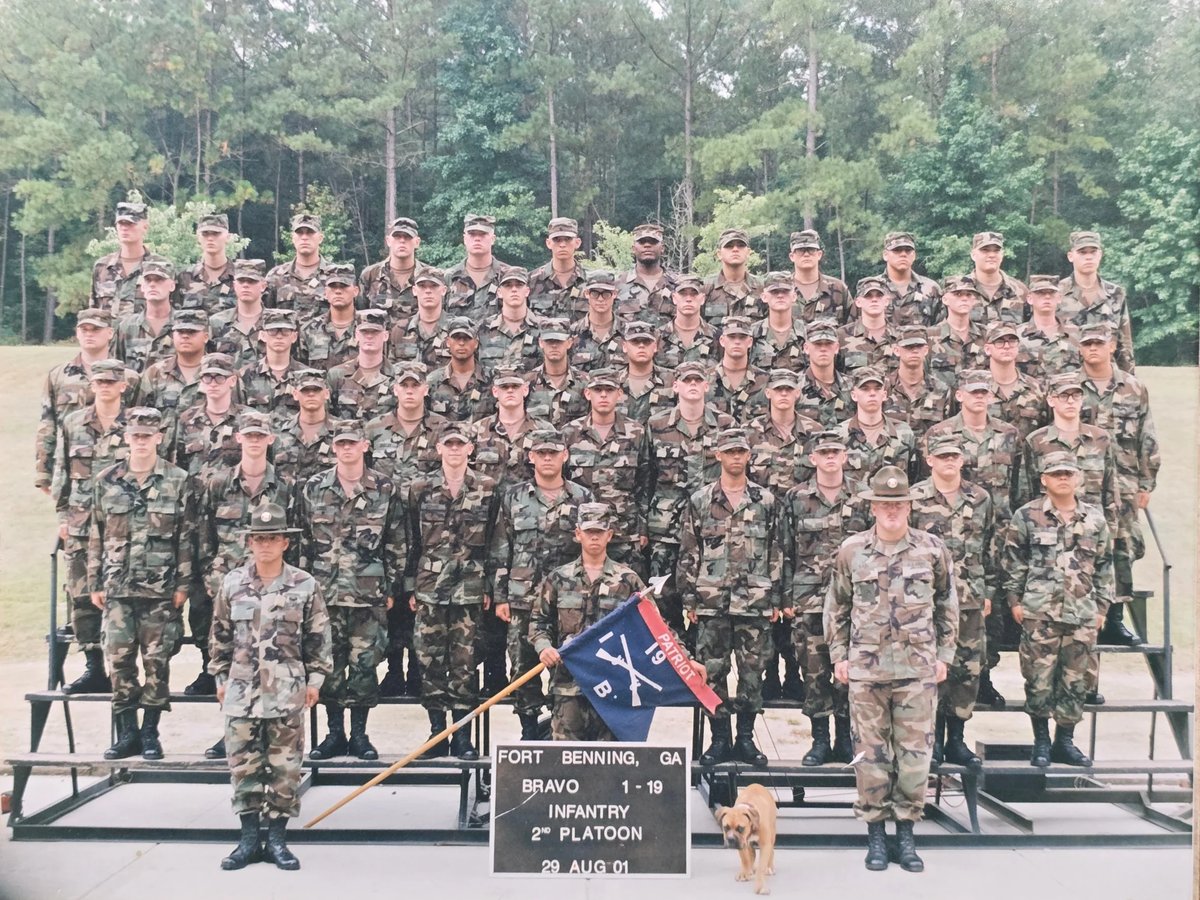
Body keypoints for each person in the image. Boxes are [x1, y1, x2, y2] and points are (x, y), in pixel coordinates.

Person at [826, 465, 957, 873]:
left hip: (917, 670)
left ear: (909, 507)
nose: (892, 510)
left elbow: (948, 604)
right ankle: (876, 836)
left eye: (899, 503)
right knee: (870, 757)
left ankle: (907, 834)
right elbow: (837, 606)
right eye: (885, 503)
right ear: (874, 507)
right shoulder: (853, 551)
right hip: (866, 672)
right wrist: (838, 656)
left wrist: (945, 655)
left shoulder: (932, 549)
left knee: (915, 758)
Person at [209, 501, 332, 871]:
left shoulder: (305, 585)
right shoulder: (232, 584)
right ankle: (248, 840)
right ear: (249, 542)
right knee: (243, 767)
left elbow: (319, 638)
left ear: (285, 543)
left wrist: (315, 680)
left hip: (286, 692)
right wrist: (219, 677)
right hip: (242, 694)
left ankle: (277, 840)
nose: (265, 545)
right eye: (258, 538)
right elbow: (219, 637)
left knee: (285, 768)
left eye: (272, 538)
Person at [87, 407, 194, 761]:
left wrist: (182, 584)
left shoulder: (177, 479)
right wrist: (95, 581)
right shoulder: (106, 480)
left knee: (156, 663)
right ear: (127, 438)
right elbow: (96, 534)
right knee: (118, 662)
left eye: (148, 436)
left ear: (159, 438)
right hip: (117, 588)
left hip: (160, 590)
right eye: (136, 436)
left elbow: (185, 536)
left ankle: (150, 734)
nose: (142, 441)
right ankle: (126, 733)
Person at [297, 425, 405, 761]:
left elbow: (396, 541)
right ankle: (334, 734)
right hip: (324, 593)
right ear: (332, 447)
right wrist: (303, 588)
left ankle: (359, 735)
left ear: (364, 445)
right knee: (329, 665)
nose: (346, 449)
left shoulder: (384, 487)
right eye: (340, 444)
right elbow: (303, 540)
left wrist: (391, 585)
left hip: (367, 594)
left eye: (352, 443)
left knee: (364, 665)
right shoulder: (314, 487)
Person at [679, 426, 783, 768]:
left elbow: (776, 552)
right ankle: (719, 737)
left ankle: (746, 739)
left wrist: (776, 597)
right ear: (718, 455)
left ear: (748, 456)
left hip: (755, 602)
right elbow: (689, 552)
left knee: (752, 674)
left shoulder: (765, 501)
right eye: (730, 451)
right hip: (712, 603)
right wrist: (689, 600)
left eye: (741, 451)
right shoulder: (701, 500)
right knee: (713, 672)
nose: (736, 457)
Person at [1004, 451, 1114, 768]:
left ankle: (1064, 741)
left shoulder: (1094, 518)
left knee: (1076, 681)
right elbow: (1014, 562)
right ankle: (1040, 741)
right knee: (1038, 680)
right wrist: (1015, 602)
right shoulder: (1026, 516)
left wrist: (1102, 607)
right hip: (1040, 613)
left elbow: (1105, 566)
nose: (1063, 478)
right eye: (1056, 474)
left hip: (1082, 613)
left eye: (1068, 472)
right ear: (1044, 480)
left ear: (1078, 477)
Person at [489, 430, 593, 738]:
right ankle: (529, 731)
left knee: (568, 669)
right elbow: (500, 547)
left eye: (553, 453)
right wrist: (500, 596)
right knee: (523, 668)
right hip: (523, 597)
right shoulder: (513, 495)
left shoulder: (582, 498)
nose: (547, 458)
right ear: (531, 457)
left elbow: (591, 548)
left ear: (565, 456)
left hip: (568, 600)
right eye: (541, 453)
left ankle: (564, 729)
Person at [407, 426, 499, 760]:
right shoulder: (420, 488)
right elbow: (410, 540)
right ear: (439, 449)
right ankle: (436, 733)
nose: (455, 450)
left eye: (461, 445)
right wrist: (410, 585)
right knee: (429, 660)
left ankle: (462, 736)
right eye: (449, 445)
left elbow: (494, 539)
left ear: (471, 449)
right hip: (430, 588)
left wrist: (491, 585)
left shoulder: (486, 488)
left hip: (469, 587)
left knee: (465, 662)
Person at [196, 410, 295, 716]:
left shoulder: (284, 487)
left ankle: (267, 723)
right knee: (229, 661)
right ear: (238, 438)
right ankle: (229, 727)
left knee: (270, 660)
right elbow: (204, 539)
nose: (254, 441)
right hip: (228, 588)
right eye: (249, 436)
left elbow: (295, 541)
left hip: (273, 587)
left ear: (270, 439)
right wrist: (212, 580)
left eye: (260, 436)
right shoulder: (218, 484)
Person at [780, 430, 869, 765]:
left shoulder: (862, 496)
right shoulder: (797, 497)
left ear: (845, 457)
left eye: (836, 452)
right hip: (809, 599)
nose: (831, 458)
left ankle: (845, 738)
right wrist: (785, 596)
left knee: (850, 671)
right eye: (824, 453)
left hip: (855, 602)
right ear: (812, 459)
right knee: (814, 672)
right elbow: (784, 550)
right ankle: (819, 740)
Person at [910, 434, 995, 768]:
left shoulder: (980, 498)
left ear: (961, 460)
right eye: (941, 456)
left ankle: (956, 739)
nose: (948, 462)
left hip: (969, 598)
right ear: (930, 460)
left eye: (954, 457)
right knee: (929, 669)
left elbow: (988, 547)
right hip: (926, 600)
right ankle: (930, 742)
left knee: (966, 670)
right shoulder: (914, 498)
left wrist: (986, 591)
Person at [531, 502, 648, 741]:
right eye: (588, 532)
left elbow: (654, 628)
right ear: (578, 534)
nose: (594, 537)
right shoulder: (558, 579)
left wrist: (686, 661)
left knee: (610, 767)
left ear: (609, 535)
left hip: (613, 689)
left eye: (599, 532)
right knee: (567, 763)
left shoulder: (628, 580)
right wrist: (544, 648)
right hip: (569, 688)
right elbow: (538, 622)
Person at [1077, 323, 1160, 646]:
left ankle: (1114, 618)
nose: (1094, 348)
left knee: (1120, 548)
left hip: (1123, 485)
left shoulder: (1133, 388)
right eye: (1088, 344)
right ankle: (1085, 614)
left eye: (1100, 343)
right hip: (1081, 484)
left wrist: (1146, 482)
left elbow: (1147, 437)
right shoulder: (1071, 388)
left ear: (1113, 346)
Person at [54, 360, 132, 694]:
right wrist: (62, 518)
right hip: (82, 524)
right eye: (99, 381)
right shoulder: (73, 423)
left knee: (124, 598)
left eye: (111, 382)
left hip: (123, 526)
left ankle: (126, 669)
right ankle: (93, 666)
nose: (105, 387)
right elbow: (62, 475)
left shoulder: (137, 424)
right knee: (82, 595)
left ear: (123, 386)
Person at [645, 362, 735, 637]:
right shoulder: (657, 425)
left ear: (707, 386)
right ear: (676, 386)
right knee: (663, 597)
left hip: (711, 527)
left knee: (706, 597)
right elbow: (645, 476)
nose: (693, 385)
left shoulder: (724, 424)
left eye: (698, 380)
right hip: (666, 529)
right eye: (687, 381)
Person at [561, 368, 652, 577]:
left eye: (609, 390)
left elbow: (645, 483)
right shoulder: (570, 433)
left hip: (624, 531)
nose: (603, 395)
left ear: (619, 394)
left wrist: (642, 527)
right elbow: (563, 482)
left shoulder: (635, 432)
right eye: (598, 390)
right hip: (583, 532)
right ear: (587, 393)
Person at [36, 309, 130, 496]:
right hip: (74, 466)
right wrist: (43, 472)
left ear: (110, 333)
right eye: (84, 329)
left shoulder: (129, 377)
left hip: (118, 467)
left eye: (95, 329)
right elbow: (47, 423)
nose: (89, 334)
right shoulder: (59, 376)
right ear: (77, 333)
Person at [1058, 231, 1135, 373]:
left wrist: (1129, 382)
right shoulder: (1056, 293)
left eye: (1093, 252)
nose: (1088, 257)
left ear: (1100, 255)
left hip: (1105, 379)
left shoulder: (1115, 294)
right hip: (1066, 381)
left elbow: (1124, 343)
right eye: (1082, 252)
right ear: (1071, 256)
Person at [836, 366, 919, 484]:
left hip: (890, 501)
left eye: (877, 389)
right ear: (854, 395)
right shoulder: (839, 435)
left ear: (884, 394)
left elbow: (913, 477)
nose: (872, 394)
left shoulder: (903, 433)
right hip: (852, 502)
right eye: (865, 389)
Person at [326, 309, 398, 424]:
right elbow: (328, 415)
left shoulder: (397, 376)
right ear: (357, 335)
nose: (369, 336)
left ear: (385, 336)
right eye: (364, 332)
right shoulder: (337, 375)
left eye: (375, 332)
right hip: (348, 440)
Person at [883, 326, 953, 443]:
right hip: (893, 456)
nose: (914, 351)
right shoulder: (884, 388)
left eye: (919, 346)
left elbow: (947, 429)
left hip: (929, 455)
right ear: (896, 350)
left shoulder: (941, 390)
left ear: (926, 350)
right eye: (908, 347)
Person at [239, 309, 308, 422]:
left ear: (294, 336)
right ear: (262, 335)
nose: (279, 336)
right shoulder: (245, 375)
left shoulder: (306, 376)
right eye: (272, 330)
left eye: (285, 331)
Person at [985, 320, 1048, 442]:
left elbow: (1046, 430)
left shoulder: (1036, 389)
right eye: (999, 342)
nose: (1007, 346)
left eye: (1012, 341)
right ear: (987, 349)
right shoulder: (976, 388)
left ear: (1018, 347)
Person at [426, 317, 497, 423]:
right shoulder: (433, 381)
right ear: (448, 342)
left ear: (476, 343)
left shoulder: (492, 380)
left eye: (467, 338)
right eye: (456, 338)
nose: (461, 343)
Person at [1016, 275, 1082, 388]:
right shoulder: (1016, 335)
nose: (1047, 297)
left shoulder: (1076, 334)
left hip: (1066, 400)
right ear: (1030, 299)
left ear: (1059, 298)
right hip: (1030, 401)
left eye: (1051, 293)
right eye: (1040, 293)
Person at [91, 201, 153, 319]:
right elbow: (93, 312)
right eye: (121, 223)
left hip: (144, 337)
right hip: (109, 336)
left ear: (145, 227)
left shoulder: (160, 267)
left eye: (130, 223)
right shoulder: (102, 267)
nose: (125, 228)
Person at [113, 258, 177, 373]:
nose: (152, 284)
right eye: (148, 280)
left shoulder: (182, 325)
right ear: (142, 287)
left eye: (159, 280)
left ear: (172, 286)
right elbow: (116, 369)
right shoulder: (127, 327)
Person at [523, 317, 588, 427]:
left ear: (569, 343)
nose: (554, 345)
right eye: (549, 341)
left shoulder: (584, 382)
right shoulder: (527, 382)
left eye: (559, 341)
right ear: (541, 343)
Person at [476, 266, 544, 372]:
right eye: (508, 285)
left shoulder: (543, 327)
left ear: (527, 291)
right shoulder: (482, 329)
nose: (514, 290)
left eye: (519, 285)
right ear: (499, 292)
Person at [360, 216, 422, 328]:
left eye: (408, 237)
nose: (402, 240)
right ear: (388, 241)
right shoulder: (370, 275)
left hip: (418, 345)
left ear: (417, 242)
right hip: (379, 344)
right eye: (397, 236)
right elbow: (359, 314)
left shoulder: (429, 277)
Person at [706, 315, 769, 423]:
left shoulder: (765, 381)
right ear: (722, 340)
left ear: (750, 342)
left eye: (742, 337)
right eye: (732, 336)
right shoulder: (705, 379)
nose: (737, 342)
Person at [297, 263, 360, 371]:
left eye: (344, 286)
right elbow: (301, 369)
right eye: (333, 286)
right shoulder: (309, 330)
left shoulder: (368, 329)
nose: (338, 291)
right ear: (325, 293)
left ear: (355, 291)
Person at [445, 214, 509, 320]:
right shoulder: (449, 277)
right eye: (472, 234)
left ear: (493, 239)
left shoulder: (508, 276)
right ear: (464, 239)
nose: (477, 239)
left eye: (483, 234)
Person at [927, 276, 987, 389]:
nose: (964, 299)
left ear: (974, 300)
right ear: (945, 300)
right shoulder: (930, 336)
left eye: (969, 295)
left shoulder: (986, 335)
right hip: (942, 403)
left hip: (977, 402)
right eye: (958, 294)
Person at [266, 213, 329, 319]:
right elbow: (265, 315)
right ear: (292, 238)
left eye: (310, 233)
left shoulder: (334, 275)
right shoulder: (276, 276)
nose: (304, 237)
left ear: (321, 238)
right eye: (300, 233)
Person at [209, 259, 269, 368]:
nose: (246, 285)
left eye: (251, 281)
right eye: (241, 281)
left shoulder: (273, 323)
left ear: (263, 286)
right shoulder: (216, 322)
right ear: (234, 285)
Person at [389, 266, 452, 368]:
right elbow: (392, 370)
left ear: (444, 290)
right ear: (414, 290)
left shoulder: (456, 328)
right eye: (422, 286)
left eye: (434, 286)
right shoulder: (400, 330)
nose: (428, 291)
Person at [615, 223, 677, 328]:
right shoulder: (618, 285)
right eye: (642, 242)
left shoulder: (677, 285)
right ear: (633, 248)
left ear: (662, 248)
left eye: (653, 242)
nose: (647, 245)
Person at [794, 318, 853, 427]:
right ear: (806, 348)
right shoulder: (795, 388)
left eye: (828, 344)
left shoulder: (852, 386)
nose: (823, 349)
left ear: (836, 348)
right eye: (817, 344)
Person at [787, 230, 851, 325]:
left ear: (819, 254)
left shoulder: (838, 288)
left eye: (811, 250)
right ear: (792, 256)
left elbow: (852, 326)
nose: (806, 254)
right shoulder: (781, 290)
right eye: (801, 250)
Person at [528, 217, 587, 319]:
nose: (562, 244)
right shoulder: (531, 281)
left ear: (577, 242)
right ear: (548, 243)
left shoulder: (591, 282)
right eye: (557, 240)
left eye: (568, 239)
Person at [877, 231, 940, 327]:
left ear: (914, 255)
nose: (903, 254)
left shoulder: (931, 289)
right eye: (897, 250)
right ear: (885, 255)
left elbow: (942, 328)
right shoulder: (872, 289)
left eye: (908, 250)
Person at [658, 274, 720, 370]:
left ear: (702, 298)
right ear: (674, 298)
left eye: (694, 294)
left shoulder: (718, 338)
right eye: (682, 293)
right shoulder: (658, 337)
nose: (688, 299)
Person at [178, 213, 236, 316]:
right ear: (198, 237)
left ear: (228, 237)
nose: (210, 238)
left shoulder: (240, 278)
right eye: (205, 234)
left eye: (216, 233)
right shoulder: (184, 277)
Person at [965, 231, 1027, 326]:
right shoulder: (959, 290)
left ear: (1002, 254)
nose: (992, 255)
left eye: (996, 251)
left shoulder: (1020, 291)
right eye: (985, 250)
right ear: (973, 255)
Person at [703, 229, 762, 327]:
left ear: (748, 252)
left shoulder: (761, 287)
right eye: (729, 246)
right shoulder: (705, 288)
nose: (735, 249)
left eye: (740, 245)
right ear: (719, 254)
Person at [838, 277, 897, 375]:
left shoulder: (899, 336)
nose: (874, 300)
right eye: (868, 296)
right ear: (858, 302)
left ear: (887, 301)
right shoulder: (842, 336)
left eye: (879, 295)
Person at [569, 270, 625, 372]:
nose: (600, 299)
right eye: (594, 293)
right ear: (586, 293)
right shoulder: (572, 332)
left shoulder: (627, 332)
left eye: (606, 294)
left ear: (614, 294)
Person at [749, 272, 807, 372]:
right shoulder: (752, 333)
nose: (780, 295)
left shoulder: (807, 333)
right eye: (774, 292)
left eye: (785, 291)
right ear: (764, 297)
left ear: (794, 296)